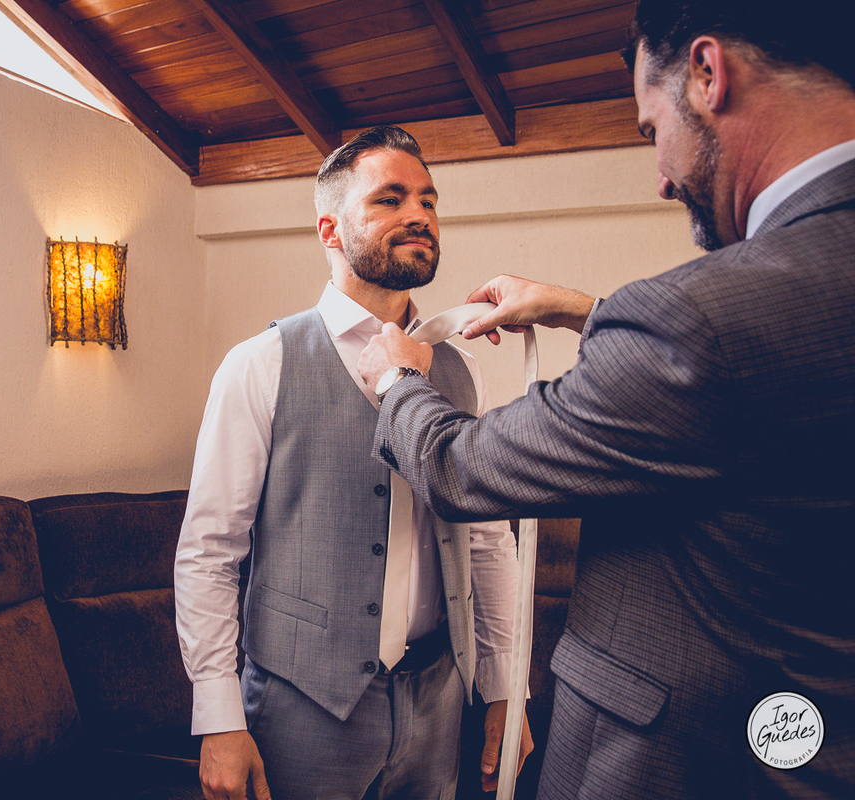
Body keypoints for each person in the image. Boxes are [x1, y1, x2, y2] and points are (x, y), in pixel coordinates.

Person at [356, 1, 855, 799]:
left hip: (679, 764)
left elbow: (461, 469)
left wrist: (397, 381)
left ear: (707, 72)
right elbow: (758, 377)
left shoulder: (701, 324)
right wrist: (588, 312)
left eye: (651, 130)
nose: (660, 177)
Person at [175, 125, 532, 800]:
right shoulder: (262, 364)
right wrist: (218, 718)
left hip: (440, 704)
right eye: (390, 200)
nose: (419, 215)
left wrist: (505, 691)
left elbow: (487, 542)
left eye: (428, 200)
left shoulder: (464, 370)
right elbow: (210, 551)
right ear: (331, 231)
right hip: (300, 712)